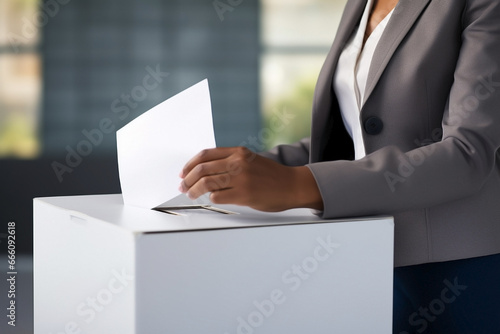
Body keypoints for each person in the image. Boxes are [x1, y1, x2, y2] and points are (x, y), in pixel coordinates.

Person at [179, 0, 500, 332]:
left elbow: (467, 153)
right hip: (366, 250)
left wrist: (296, 185)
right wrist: (247, 169)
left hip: (454, 266)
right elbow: (352, 141)